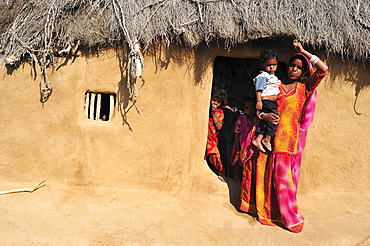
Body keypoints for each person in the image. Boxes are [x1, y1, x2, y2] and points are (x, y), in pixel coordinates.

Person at [239, 40, 328, 233]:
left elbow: (323, 70)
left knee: (282, 179)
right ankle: (263, 211)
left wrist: (304, 51)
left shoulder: (304, 88)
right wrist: (263, 115)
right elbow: (260, 106)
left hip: (287, 140)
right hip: (267, 138)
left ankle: (288, 217)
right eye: (292, 66)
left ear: (303, 72)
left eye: (298, 68)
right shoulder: (275, 85)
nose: (294, 70)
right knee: (263, 175)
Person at [252, 50, 281, 152]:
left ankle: (258, 139)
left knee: (265, 122)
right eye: (268, 65)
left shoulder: (271, 76)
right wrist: (259, 101)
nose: (272, 67)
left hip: (270, 102)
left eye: (274, 64)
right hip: (266, 102)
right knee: (275, 119)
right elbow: (258, 89)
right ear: (262, 65)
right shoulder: (263, 76)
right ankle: (267, 138)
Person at [230, 95, 257, 179]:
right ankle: (237, 177)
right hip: (241, 144)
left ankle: (248, 178)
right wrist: (237, 144)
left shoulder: (257, 118)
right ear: (243, 108)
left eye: (252, 107)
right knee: (239, 161)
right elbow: (236, 132)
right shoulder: (241, 118)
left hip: (252, 144)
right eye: (247, 108)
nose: (250, 110)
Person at [205, 86, 228, 182]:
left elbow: (219, 127)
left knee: (214, 153)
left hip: (213, 139)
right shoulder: (204, 108)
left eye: (218, 102)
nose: (215, 103)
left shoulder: (220, 112)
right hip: (205, 137)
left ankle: (221, 172)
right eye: (214, 100)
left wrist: (213, 114)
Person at [217, 103, 239, 179]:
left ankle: (228, 174)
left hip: (229, 134)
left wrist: (226, 131)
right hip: (226, 134)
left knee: (228, 155)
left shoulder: (226, 108)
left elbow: (232, 116)